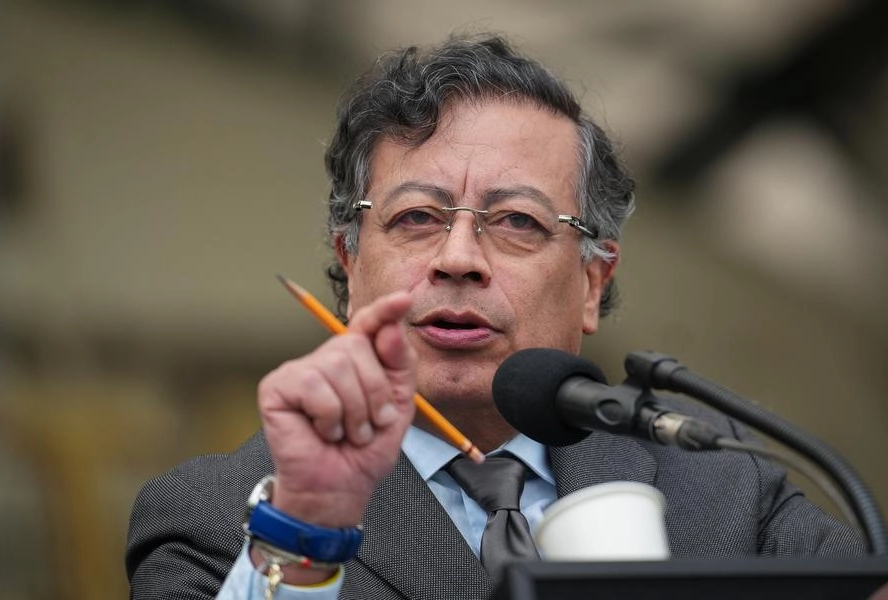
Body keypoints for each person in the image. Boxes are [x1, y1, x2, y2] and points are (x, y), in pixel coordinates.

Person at [125, 33, 863, 600]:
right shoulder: (214, 515)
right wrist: (308, 529)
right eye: (417, 217)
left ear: (591, 283)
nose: (458, 258)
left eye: (516, 222)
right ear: (350, 268)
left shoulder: (718, 478)